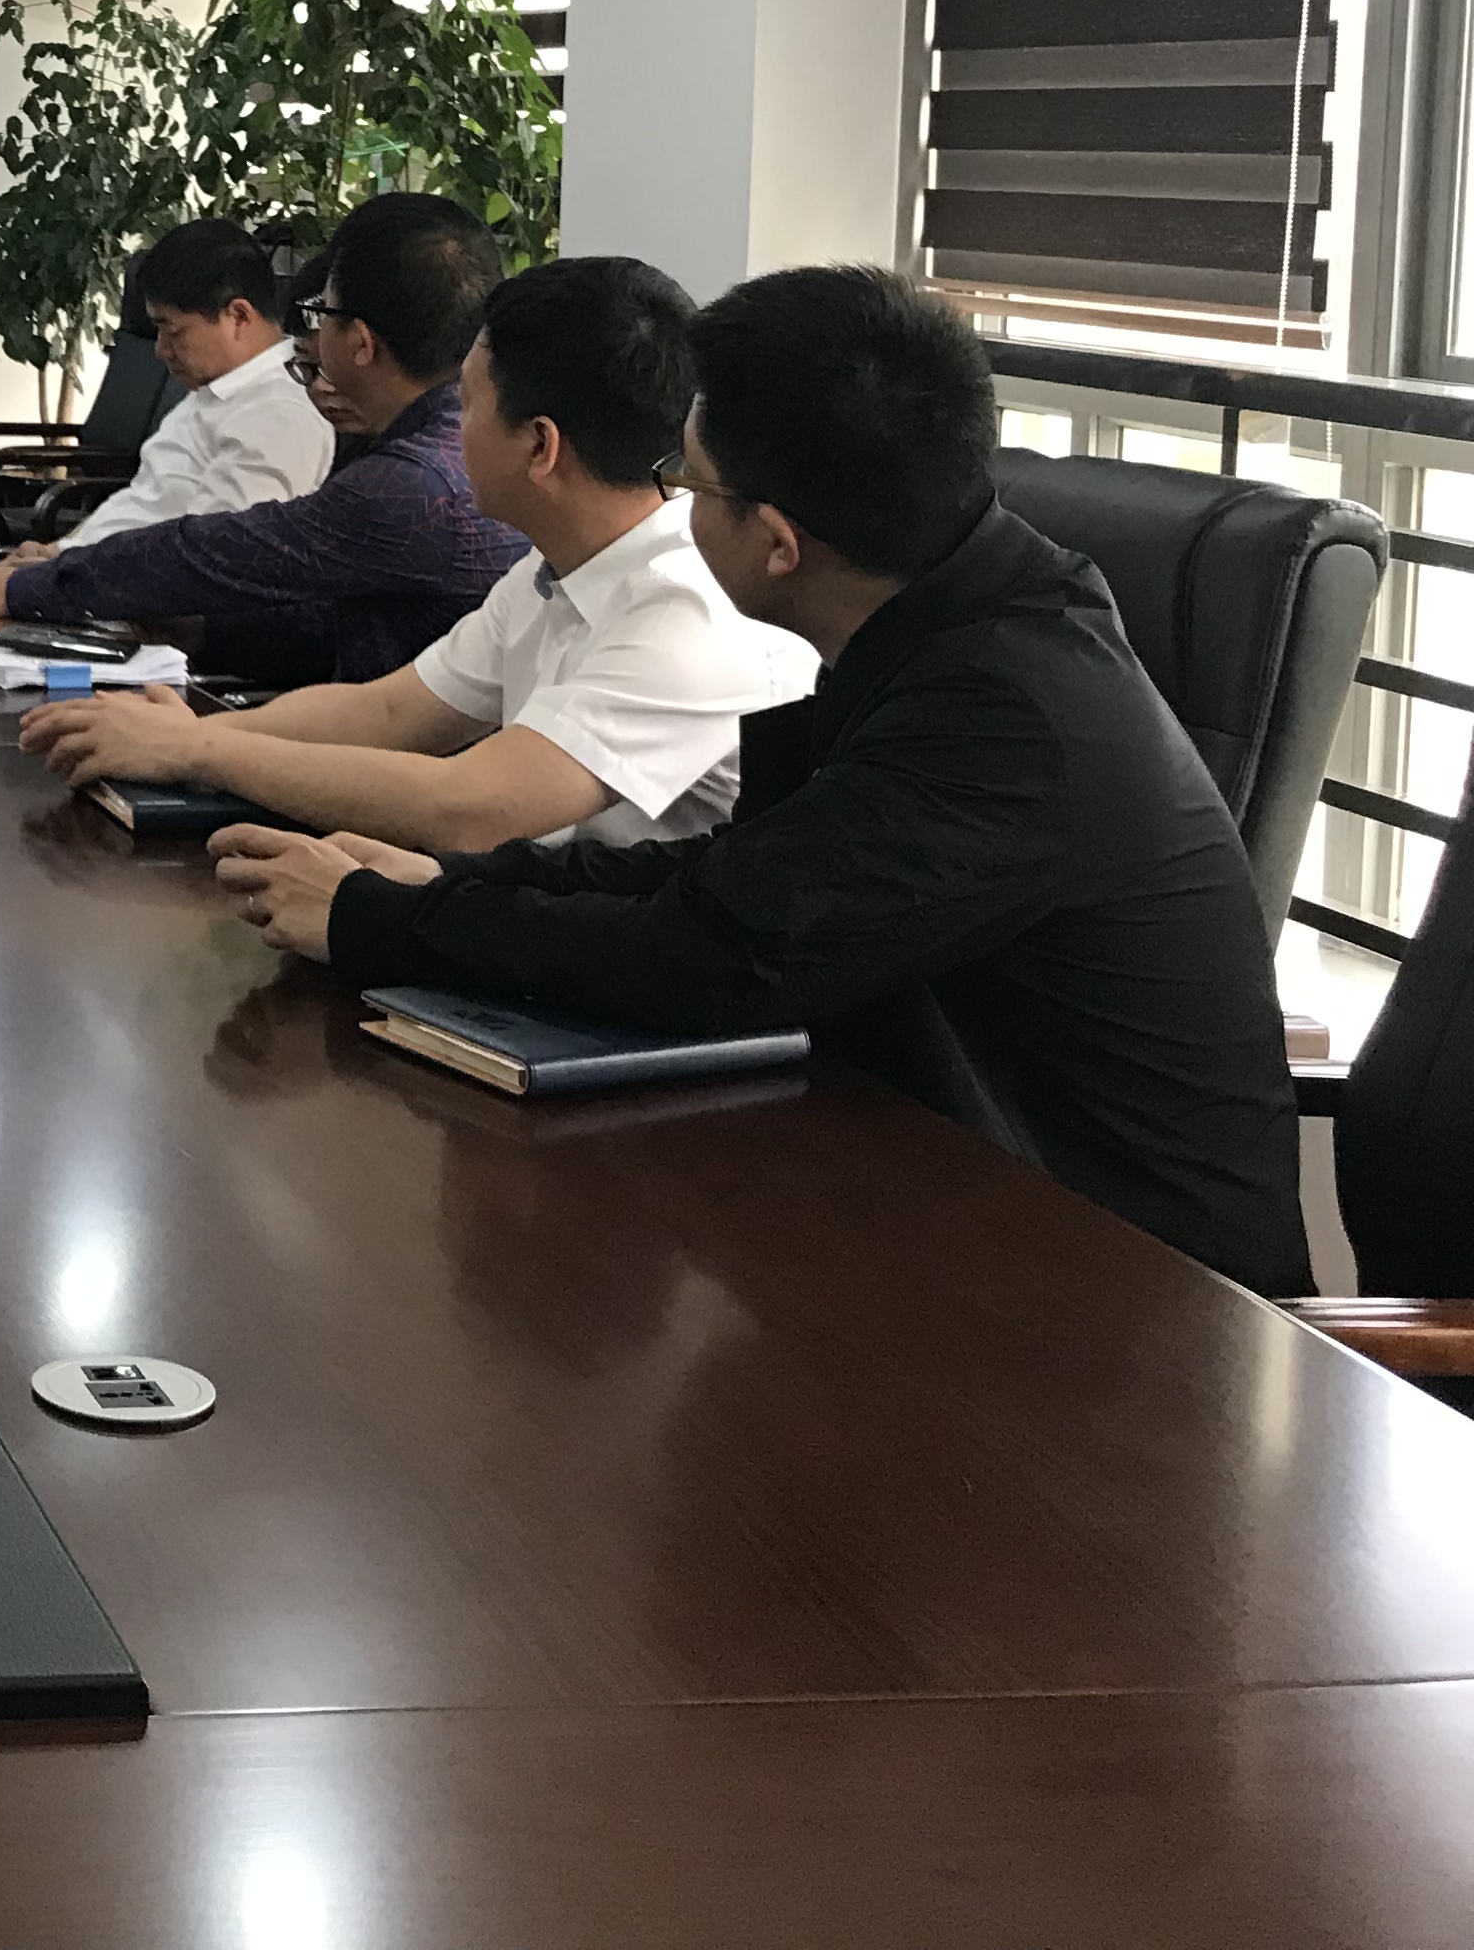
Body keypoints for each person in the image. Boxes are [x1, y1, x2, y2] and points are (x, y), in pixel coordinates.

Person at [212, 265, 1310, 1295]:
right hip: (939, 1206)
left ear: (778, 543)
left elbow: (714, 950)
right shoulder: (955, 619)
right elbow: (747, 878)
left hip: (1127, 1308)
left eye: (689, 483)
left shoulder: (1009, 714)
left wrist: (378, 921)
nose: (673, 507)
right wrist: (446, 886)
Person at [16, 255, 818, 850]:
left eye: (466, 404)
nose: (450, 432)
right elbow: (390, 713)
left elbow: (472, 806)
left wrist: (203, 750)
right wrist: (210, 733)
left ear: (540, 447)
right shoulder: (551, 572)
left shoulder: (686, 608)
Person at [0, 192, 530, 686]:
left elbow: (218, 552)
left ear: (360, 342)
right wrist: (198, 630)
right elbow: (344, 625)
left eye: (323, 314)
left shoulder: (415, 483)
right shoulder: (448, 448)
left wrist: (34, 587)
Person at [31, 218, 331, 552]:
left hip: (131, 580)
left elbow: (212, 557)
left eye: (173, 332)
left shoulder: (278, 415)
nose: (161, 350)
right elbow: (144, 503)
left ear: (238, 316)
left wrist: (61, 570)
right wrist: (58, 551)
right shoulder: (219, 390)